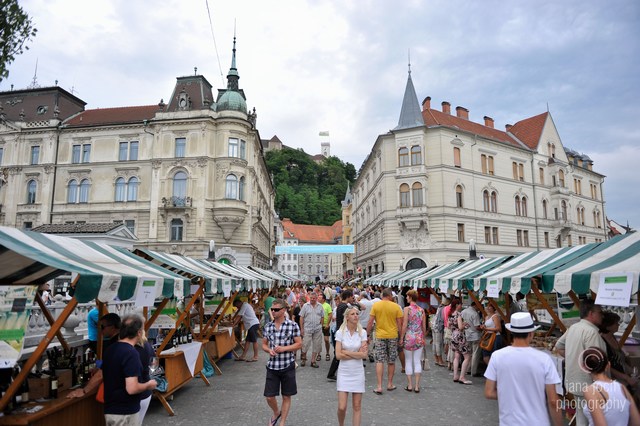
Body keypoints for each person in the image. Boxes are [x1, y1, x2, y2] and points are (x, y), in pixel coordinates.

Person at [484, 312, 563, 426]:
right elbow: (553, 401)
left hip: (509, 422)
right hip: (537, 422)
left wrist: (510, 394)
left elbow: (489, 392)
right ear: (531, 333)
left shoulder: (497, 356)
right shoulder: (544, 359)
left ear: (511, 332)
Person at [554, 299, 606, 426]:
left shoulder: (573, 327)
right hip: (589, 384)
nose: (602, 315)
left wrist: (573, 357)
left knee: (582, 418)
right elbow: (596, 362)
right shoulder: (591, 332)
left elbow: (558, 347)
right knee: (593, 419)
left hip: (574, 382)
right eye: (600, 312)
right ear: (591, 313)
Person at [102, 314, 157, 426]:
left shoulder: (110, 349)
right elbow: (131, 388)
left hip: (111, 407)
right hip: (125, 411)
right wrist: (148, 384)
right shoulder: (131, 353)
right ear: (139, 333)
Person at [262, 298, 302, 426]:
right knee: (269, 396)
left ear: (284, 310)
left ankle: (282, 422)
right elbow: (263, 344)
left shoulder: (292, 325)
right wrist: (269, 350)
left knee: (286, 395)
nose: (273, 312)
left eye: (276, 309)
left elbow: (299, 344)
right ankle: (276, 412)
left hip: (287, 365)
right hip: (272, 366)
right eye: (272, 309)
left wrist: (284, 348)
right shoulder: (268, 326)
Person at [580, 346, 640, 426]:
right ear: (608, 365)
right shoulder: (622, 388)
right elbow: (636, 422)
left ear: (585, 367)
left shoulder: (590, 391)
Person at [67, 313, 122, 399]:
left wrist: (84, 390)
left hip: (116, 394)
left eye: (102, 327)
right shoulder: (122, 340)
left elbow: (101, 374)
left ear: (112, 327)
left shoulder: (113, 346)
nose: (100, 330)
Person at [366, 288, 403, 394]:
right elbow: (399, 324)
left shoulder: (376, 306)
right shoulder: (396, 307)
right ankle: (390, 384)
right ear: (390, 296)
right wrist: (400, 337)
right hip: (392, 335)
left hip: (380, 336)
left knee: (379, 361)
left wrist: (367, 335)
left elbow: (370, 322)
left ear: (382, 296)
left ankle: (379, 386)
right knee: (391, 361)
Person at [335, 306, 368, 426]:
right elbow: (338, 355)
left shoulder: (362, 332)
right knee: (342, 407)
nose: (356, 316)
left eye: (357, 314)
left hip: (357, 371)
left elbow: (364, 355)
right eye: (353, 314)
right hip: (344, 372)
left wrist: (346, 352)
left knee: (357, 405)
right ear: (347, 317)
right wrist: (356, 354)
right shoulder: (340, 332)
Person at [399, 289, 427, 393]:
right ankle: (417, 386)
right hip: (418, 337)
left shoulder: (407, 309)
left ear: (410, 297)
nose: (406, 298)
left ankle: (410, 385)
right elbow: (423, 326)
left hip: (409, 337)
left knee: (408, 361)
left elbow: (405, 324)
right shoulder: (421, 310)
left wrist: (401, 337)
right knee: (417, 361)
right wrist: (423, 337)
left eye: (407, 296)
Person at [328, 289, 357, 381]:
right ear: (348, 297)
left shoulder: (340, 305)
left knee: (339, 352)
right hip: (343, 331)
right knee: (340, 353)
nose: (352, 298)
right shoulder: (345, 306)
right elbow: (348, 319)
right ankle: (331, 373)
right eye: (351, 296)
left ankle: (333, 372)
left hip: (339, 329)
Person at [449, 298, 472, 385]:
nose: (461, 306)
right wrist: (465, 325)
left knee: (457, 356)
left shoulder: (450, 314)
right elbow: (460, 327)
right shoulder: (458, 315)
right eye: (460, 304)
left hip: (453, 336)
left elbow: (448, 325)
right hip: (460, 336)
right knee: (467, 356)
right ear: (457, 305)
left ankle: (455, 375)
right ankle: (462, 377)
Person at [299, 291, 325, 368]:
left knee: (316, 345)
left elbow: (322, 316)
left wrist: (321, 325)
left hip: (317, 329)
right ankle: (303, 358)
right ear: (309, 298)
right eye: (311, 298)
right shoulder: (305, 306)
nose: (312, 299)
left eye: (314, 298)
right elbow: (301, 317)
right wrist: (302, 328)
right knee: (305, 344)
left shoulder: (320, 306)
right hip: (307, 328)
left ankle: (313, 361)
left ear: (317, 298)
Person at [135, 328, 155, 424]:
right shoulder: (147, 345)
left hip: (136, 392)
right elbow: (154, 363)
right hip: (146, 391)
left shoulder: (132, 350)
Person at [461, 302, 483, 377]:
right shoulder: (475, 314)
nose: (479, 308)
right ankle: (473, 371)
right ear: (475, 305)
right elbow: (477, 326)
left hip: (466, 334)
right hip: (475, 335)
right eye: (478, 306)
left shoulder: (463, 311)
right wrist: (482, 328)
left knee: (468, 354)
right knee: (475, 354)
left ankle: (467, 369)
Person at [431, 296, 447, 367]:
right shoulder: (444, 308)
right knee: (438, 344)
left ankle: (436, 359)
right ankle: (440, 360)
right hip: (438, 327)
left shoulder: (439, 307)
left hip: (434, 326)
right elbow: (442, 319)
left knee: (435, 343)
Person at [319, 292, 333, 361]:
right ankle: (318, 354)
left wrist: (327, 324)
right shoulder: (317, 305)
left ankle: (327, 353)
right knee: (318, 341)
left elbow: (330, 315)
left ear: (323, 299)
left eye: (320, 297)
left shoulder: (327, 305)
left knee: (326, 340)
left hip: (325, 325)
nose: (318, 298)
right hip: (318, 325)